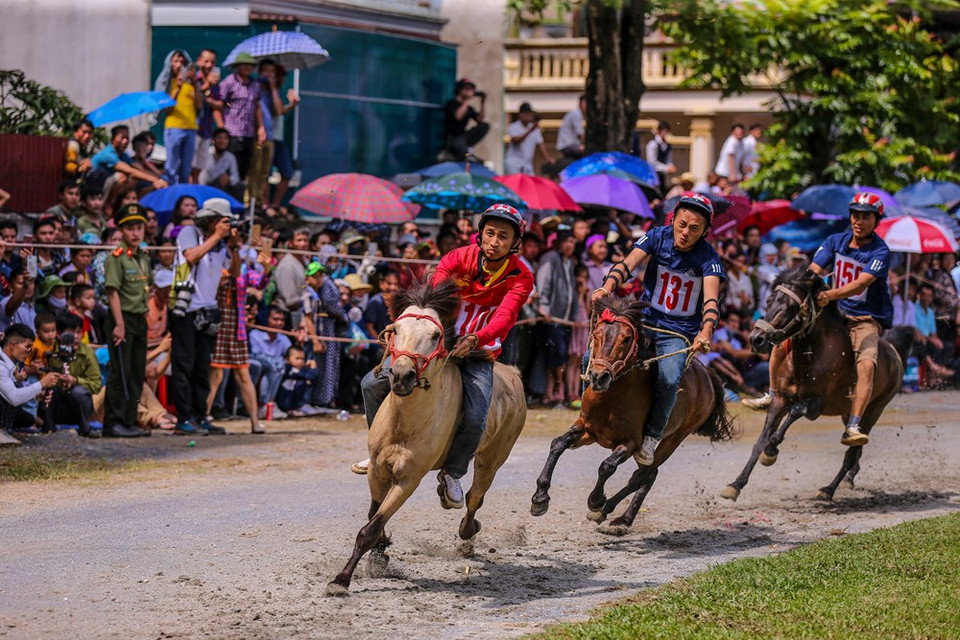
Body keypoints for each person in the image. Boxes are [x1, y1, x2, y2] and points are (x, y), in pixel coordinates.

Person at [356, 204, 534, 510]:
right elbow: (433, 299)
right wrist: (404, 324)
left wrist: (477, 338)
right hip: (439, 344)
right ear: (480, 234)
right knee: (371, 384)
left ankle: (453, 472)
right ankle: (379, 450)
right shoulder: (456, 258)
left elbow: (505, 317)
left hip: (479, 352)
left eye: (503, 236)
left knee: (477, 415)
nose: (494, 241)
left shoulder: (521, 276)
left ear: (515, 242)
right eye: (490, 233)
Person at [744, 193, 893, 448]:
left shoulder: (880, 251)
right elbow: (813, 270)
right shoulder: (834, 241)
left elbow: (860, 285)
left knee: (867, 364)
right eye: (855, 215)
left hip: (864, 318)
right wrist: (801, 288)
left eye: (866, 217)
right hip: (833, 311)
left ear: (876, 220)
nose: (859, 221)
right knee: (782, 341)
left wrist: (829, 294)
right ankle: (772, 393)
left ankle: (854, 424)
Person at [592, 193, 724, 464]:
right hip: (645, 320)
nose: (685, 232)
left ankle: (652, 436)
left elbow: (711, 300)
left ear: (704, 232)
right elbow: (627, 265)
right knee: (594, 357)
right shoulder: (656, 236)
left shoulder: (709, 258)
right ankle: (588, 417)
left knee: (669, 377)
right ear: (673, 218)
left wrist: (706, 331)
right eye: (682, 224)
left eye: (694, 229)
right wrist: (606, 288)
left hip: (676, 333)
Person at [169, 198, 235, 436]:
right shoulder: (190, 232)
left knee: (201, 367)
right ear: (212, 219)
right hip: (185, 309)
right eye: (223, 221)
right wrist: (217, 235)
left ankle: (200, 416)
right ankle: (183, 418)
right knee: (184, 365)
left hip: (208, 309)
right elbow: (191, 256)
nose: (226, 226)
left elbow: (234, 272)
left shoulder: (221, 245)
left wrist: (234, 246)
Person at [102, 203, 153, 438]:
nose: (135, 232)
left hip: (138, 319)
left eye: (139, 227)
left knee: (135, 372)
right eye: (130, 228)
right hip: (121, 318)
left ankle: (130, 419)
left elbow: (145, 289)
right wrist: (119, 324)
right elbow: (113, 292)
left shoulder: (143, 257)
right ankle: (113, 422)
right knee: (120, 372)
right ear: (121, 230)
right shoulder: (116, 257)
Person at [41, 314, 102, 438]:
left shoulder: (87, 353)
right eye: (70, 333)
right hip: (56, 403)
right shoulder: (51, 350)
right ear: (58, 334)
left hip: (78, 406)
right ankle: (48, 429)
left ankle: (85, 428)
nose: (75, 337)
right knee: (49, 390)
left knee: (78, 392)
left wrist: (75, 380)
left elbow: (96, 385)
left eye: (78, 332)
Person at [0, 324, 61, 445]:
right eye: (27, 347)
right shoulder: (1, 366)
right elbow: (14, 397)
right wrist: (42, 383)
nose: (29, 352)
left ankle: (5, 430)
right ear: (13, 345)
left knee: (27, 419)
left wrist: (35, 395)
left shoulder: (10, 364)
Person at [538, 228, 578, 406]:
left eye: (573, 242)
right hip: (552, 316)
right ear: (559, 243)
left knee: (559, 355)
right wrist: (544, 307)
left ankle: (554, 391)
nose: (570, 245)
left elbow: (571, 290)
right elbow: (544, 283)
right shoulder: (550, 258)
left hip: (565, 317)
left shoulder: (568, 262)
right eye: (567, 241)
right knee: (555, 355)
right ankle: (555, 390)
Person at [301, 261, 349, 409]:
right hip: (309, 338)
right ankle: (304, 401)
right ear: (307, 278)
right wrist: (315, 340)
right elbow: (307, 319)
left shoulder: (315, 294)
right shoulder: (307, 294)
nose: (319, 279)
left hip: (317, 335)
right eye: (315, 276)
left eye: (321, 275)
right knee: (309, 368)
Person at [90, 125, 167, 209]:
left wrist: (158, 179)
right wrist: (156, 180)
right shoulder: (108, 154)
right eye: (122, 138)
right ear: (113, 138)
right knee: (122, 176)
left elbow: (138, 169)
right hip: (94, 188)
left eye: (127, 138)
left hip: (106, 187)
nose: (125, 141)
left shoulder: (123, 155)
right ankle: (107, 207)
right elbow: (131, 171)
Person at [156, 49, 202, 185]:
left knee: (186, 169)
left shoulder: (191, 83)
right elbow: (167, 109)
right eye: (176, 61)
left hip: (191, 128)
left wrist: (195, 85)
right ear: (170, 63)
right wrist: (178, 88)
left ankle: (183, 197)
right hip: (174, 128)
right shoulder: (167, 83)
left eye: (182, 62)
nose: (179, 65)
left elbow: (199, 106)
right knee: (171, 167)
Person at [219, 52, 267, 180]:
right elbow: (219, 104)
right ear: (237, 66)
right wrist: (221, 128)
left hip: (248, 134)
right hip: (231, 134)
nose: (247, 67)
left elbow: (257, 106)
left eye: (250, 65)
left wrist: (261, 127)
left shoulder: (255, 85)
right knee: (229, 171)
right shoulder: (229, 82)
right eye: (244, 64)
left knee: (243, 171)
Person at [248, 306, 293, 420]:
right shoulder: (255, 334)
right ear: (267, 319)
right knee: (273, 365)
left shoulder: (283, 338)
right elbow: (255, 355)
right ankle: (264, 403)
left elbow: (290, 356)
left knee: (280, 365)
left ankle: (270, 403)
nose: (279, 323)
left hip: (275, 368)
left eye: (282, 320)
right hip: (257, 366)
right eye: (275, 319)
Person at [267, 64, 300, 209]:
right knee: (264, 175)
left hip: (278, 139)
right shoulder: (264, 92)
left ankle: (275, 205)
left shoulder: (276, 91)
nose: (280, 79)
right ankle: (265, 205)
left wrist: (291, 106)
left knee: (287, 173)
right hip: (266, 139)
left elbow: (279, 111)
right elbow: (274, 112)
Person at [191, 48, 225, 183]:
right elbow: (193, 100)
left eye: (212, 62)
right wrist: (206, 85)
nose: (209, 65)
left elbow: (220, 104)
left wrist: (221, 128)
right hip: (192, 130)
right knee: (190, 167)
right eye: (206, 61)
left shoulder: (215, 83)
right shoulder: (193, 79)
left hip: (206, 131)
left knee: (199, 168)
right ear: (198, 61)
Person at [443, 78, 488, 162]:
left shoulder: (469, 108)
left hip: (463, 137)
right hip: (453, 139)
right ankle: (467, 156)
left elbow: (481, 120)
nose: (470, 92)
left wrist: (482, 103)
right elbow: (458, 117)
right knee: (464, 152)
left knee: (485, 125)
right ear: (459, 90)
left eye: (471, 90)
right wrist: (467, 100)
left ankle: (469, 153)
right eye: (467, 89)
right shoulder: (452, 103)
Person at [504, 103, 553, 175]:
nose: (528, 116)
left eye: (529, 114)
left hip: (527, 163)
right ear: (520, 115)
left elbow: (541, 144)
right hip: (514, 163)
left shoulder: (534, 128)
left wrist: (548, 159)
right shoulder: (514, 126)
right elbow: (516, 141)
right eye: (526, 114)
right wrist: (530, 131)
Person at [198, 128, 241, 199]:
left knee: (240, 186)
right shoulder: (206, 153)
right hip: (205, 186)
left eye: (225, 138)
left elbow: (235, 176)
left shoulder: (230, 157)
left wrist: (229, 180)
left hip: (222, 187)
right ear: (213, 140)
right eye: (219, 138)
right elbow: (200, 175)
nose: (222, 141)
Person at [645, 121, 676, 190]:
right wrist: (666, 168)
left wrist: (670, 166)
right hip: (653, 176)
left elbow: (668, 160)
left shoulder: (667, 146)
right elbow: (651, 162)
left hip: (663, 176)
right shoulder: (653, 144)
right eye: (663, 131)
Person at [556, 94, 586, 159]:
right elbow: (580, 134)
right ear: (580, 103)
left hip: (568, 145)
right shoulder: (576, 114)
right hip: (568, 145)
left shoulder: (578, 115)